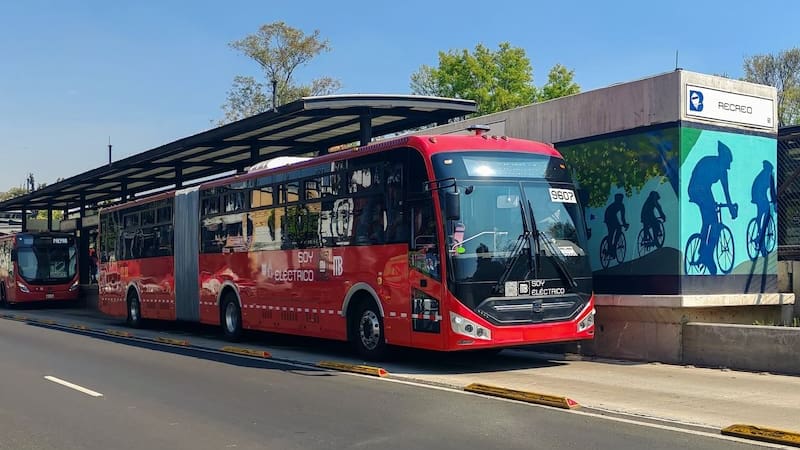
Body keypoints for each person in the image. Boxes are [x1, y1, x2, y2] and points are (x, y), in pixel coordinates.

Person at [687, 141, 738, 275]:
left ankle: (704, 252)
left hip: (705, 189)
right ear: (722, 158)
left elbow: (726, 192)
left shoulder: (723, 171)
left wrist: (731, 206)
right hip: (696, 189)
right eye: (728, 162)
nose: (728, 167)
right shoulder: (709, 163)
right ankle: (706, 255)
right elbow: (700, 182)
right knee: (713, 220)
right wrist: (713, 203)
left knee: (710, 221)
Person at [751, 160, 777, 255]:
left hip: (757, 194)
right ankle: (760, 239)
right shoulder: (769, 175)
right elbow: (772, 191)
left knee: (760, 214)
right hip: (759, 195)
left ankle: (759, 235)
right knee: (765, 213)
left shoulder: (763, 174)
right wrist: (774, 203)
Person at [603, 193, 629, 257]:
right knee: (612, 232)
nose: (619, 200)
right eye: (618, 199)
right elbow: (621, 218)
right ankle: (611, 248)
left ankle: (613, 246)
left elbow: (622, 217)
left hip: (613, 216)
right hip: (608, 216)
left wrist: (624, 224)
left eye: (620, 199)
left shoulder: (621, 206)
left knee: (618, 229)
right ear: (616, 199)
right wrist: (624, 224)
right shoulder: (614, 206)